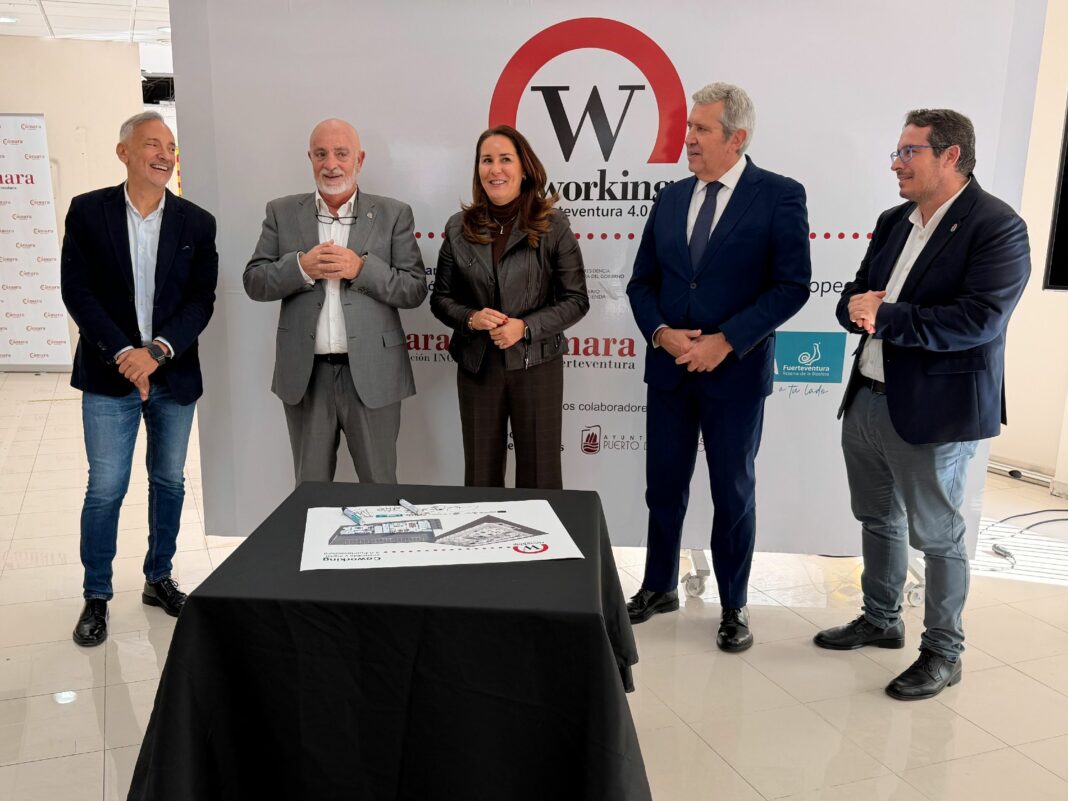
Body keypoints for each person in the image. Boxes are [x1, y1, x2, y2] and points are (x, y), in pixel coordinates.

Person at [814, 109, 1030, 699]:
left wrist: (883, 316)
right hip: (868, 395)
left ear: (950, 156)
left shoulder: (997, 226)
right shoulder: (893, 221)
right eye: (897, 151)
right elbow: (855, 297)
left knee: (938, 536)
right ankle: (881, 619)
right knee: (876, 517)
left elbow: (978, 321)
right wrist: (859, 310)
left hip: (937, 411)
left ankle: (943, 652)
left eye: (909, 152)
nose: (896, 164)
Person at [625, 83, 811, 652]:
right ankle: (659, 586)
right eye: (689, 128)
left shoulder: (779, 195)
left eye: (701, 129)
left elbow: (792, 286)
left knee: (732, 491)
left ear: (737, 137)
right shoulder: (670, 197)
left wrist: (726, 341)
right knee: (664, 486)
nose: (688, 139)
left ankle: (734, 603)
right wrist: (661, 333)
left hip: (735, 374)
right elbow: (642, 283)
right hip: (670, 370)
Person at [60, 111, 219, 646]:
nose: (164, 155)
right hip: (109, 375)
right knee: (106, 487)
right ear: (123, 151)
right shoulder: (88, 212)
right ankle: (96, 595)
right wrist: (126, 354)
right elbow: (77, 292)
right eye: (153, 144)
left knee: (169, 481)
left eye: (170, 147)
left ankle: (158, 577)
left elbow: (201, 301)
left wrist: (157, 351)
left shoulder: (197, 222)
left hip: (173, 375)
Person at [244, 118, 427, 485]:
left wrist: (361, 269)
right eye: (321, 154)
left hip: (374, 375)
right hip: (306, 377)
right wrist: (301, 267)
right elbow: (254, 281)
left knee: (379, 488)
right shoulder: (281, 212)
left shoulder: (393, 214)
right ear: (310, 158)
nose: (331, 164)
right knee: (310, 489)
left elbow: (414, 289)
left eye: (341, 154)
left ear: (359, 159)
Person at [430, 125, 588, 488]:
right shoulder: (458, 228)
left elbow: (576, 300)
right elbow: (441, 299)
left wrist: (525, 327)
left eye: (505, 159)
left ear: (524, 169)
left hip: (537, 365)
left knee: (540, 479)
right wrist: (471, 318)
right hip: (478, 367)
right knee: (481, 479)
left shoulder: (553, 226)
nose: (495, 169)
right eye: (487, 160)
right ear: (478, 169)